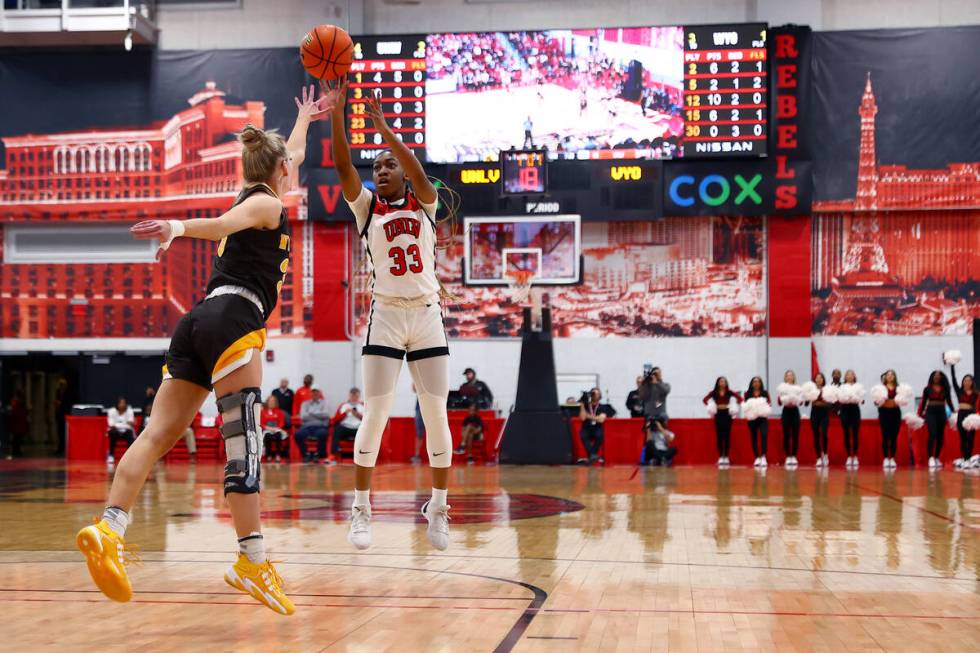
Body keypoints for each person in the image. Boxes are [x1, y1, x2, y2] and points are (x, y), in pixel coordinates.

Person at [75, 83, 335, 615]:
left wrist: (305, 117)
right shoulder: (263, 204)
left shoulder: (261, 190)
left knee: (155, 436)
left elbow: (297, 152)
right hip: (234, 320)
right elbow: (220, 225)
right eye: (292, 163)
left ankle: (110, 527)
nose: (297, 168)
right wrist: (176, 225)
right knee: (245, 445)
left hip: (195, 321)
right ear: (280, 168)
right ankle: (253, 562)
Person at [332, 77, 454, 551]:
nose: (380, 171)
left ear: (401, 173)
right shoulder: (366, 208)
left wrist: (386, 132)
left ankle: (438, 508)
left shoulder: (426, 203)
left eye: (388, 166)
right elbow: (344, 165)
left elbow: (419, 171)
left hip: (426, 316)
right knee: (376, 415)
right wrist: (339, 116)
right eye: (377, 167)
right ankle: (361, 509)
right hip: (385, 314)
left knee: (436, 416)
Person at [918, 370, 954, 470]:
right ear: (932, 377)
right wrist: (919, 414)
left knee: (940, 436)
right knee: (932, 433)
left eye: (939, 376)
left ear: (941, 378)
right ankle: (931, 458)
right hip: (930, 413)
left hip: (942, 413)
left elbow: (949, 401)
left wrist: (954, 412)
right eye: (935, 376)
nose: (937, 377)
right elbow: (923, 402)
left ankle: (937, 457)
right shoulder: (927, 389)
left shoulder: (945, 389)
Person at [703, 377, 741, 466]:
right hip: (718, 415)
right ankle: (721, 457)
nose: (723, 383)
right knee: (719, 436)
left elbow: (740, 399)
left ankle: (726, 457)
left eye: (724, 381)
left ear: (726, 383)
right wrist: (711, 407)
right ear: (718, 383)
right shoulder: (714, 392)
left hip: (727, 414)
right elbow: (704, 400)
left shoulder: (729, 392)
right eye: (721, 381)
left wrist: (733, 405)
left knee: (727, 436)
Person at [949, 361, 977, 469]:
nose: (967, 382)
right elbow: (953, 380)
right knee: (963, 438)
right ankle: (965, 459)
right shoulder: (959, 391)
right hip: (961, 414)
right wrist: (952, 367)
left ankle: (969, 458)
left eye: (969, 380)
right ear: (963, 382)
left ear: (972, 382)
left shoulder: (976, 393)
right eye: (965, 380)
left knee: (971, 438)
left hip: (971, 415)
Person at [577, 388, 615, 465]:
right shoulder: (586, 406)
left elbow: (601, 419)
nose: (595, 395)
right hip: (586, 427)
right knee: (583, 434)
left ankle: (591, 456)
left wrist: (588, 416)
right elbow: (583, 417)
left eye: (597, 393)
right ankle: (593, 455)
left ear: (600, 395)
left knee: (599, 435)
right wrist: (582, 404)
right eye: (593, 393)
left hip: (597, 428)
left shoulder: (603, 407)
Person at [294, 386, 331, 463]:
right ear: (310, 393)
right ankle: (306, 454)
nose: (315, 393)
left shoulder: (325, 403)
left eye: (316, 392)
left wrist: (311, 413)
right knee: (298, 434)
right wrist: (319, 414)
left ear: (319, 393)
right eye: (313, 392)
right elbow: (303, 416)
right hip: (306, 426)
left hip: (320, 426)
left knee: (323, 434)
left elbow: (326, 415)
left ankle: (318, 454)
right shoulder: (305, 404)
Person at [876, 370, 902, 470]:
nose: (890, 376)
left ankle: (892, 458)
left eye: (892, 375)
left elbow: (903, 400)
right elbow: (876, 401)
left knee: (894, 436)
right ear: (885, 377)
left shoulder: (899, 388)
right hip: (884, 413)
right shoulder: (881, 388)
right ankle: (886, 458)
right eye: (888, 375)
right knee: (885, 436)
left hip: (895, 413)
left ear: (895, 377)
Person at [777, 370, 802, 468]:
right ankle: (788, 456)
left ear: (794, 377)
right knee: (786, 435)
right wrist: (781, 398)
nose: (789, 377)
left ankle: (794, 456)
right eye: (787, 375)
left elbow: (800, 403)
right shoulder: (782, 388)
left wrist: (798, 399)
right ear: (785, 378)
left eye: (791, 375)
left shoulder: (798, 388)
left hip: (795, 411)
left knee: (795, 435)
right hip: (786, 411)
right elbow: (779, 403)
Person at [331, 388, 364, 461]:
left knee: (365, 432)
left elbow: (367, 421)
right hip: (345, 427)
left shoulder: (362, 406)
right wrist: (345, 413)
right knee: (337, 429)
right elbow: (335, 420)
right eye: (352, 396)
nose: (354, 398)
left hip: (357, 428)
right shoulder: (344, 406)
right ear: (349, 396)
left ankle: (363, 456)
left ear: (359, 397)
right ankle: (334, 454)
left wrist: (358, 415)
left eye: (356, 396)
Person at [744, 376, 770, 468]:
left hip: (762, 418)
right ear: (751, 383)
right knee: (753, 437)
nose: (756, 383)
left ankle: (763, 456)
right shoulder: (747, 394)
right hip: (752, 418)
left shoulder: (765, 393)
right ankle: (757, 457)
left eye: (758, 381)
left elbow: (769, 403)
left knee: (764, 435)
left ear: (761, 383)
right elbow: (745, 405)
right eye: (754, 381)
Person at [808, 373, 831, 468]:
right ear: (814, 380)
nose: (819, 379)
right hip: (814, 414)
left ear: (823, 380)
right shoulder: (811, 390)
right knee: (816, 435)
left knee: (824, 433)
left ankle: (825, 454)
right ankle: (818, 457)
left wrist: (819, 403)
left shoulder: (827, 390)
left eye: (821, 377)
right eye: (817, 378)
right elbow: (807, 402)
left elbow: (830, 404)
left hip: (824, 414)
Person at [106, 397, 136, 464]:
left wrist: (117, 425)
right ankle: (111, 455)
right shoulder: (111, 411)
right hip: (115, 432)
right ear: (117, 404)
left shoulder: (130, 411)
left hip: (126, 432)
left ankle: (130, 456)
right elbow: (111, 424)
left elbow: (131, 423)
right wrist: (125, 424)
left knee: (130, 433)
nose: (122, 404)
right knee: (112, 433)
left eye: (124, 403)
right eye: (121, 403)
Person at [261, 395, 288, 462]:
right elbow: (261, 423)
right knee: (268, 436)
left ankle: (278, 455)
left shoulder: (279, 412)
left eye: (273, 401)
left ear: (275, 402)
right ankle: (269, 455)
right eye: (270, 401)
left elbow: (282, 422)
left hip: (277, 429)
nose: (271, 402)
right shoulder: (263, 412)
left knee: (278, 435)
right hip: (267, 429)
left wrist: (276, 428)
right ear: (267, 402)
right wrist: (268, 428)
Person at [411, 383, 424, 464]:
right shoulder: (418, 376)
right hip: (419, 408)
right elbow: (414, 388)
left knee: (433, 433)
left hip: (430, 407)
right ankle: (417, 455)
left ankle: (436, 455)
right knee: (419, 433)